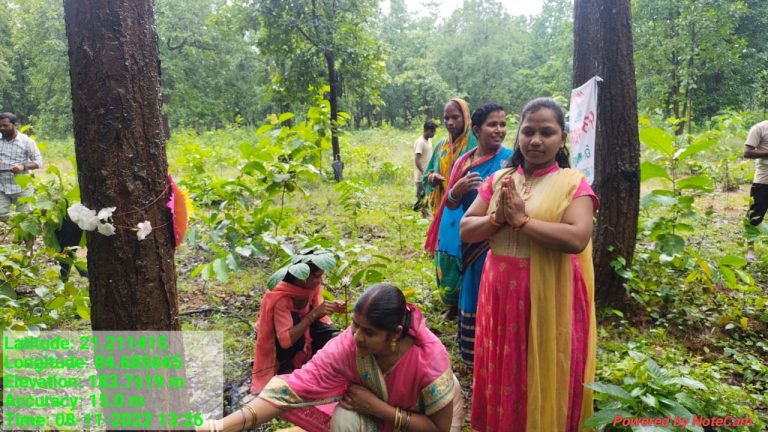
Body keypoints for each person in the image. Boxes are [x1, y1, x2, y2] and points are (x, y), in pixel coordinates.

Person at [460, 98, 598, 431]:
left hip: (549, 296)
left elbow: (577, 237)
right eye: (528, 131)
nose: (536, 140)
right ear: (519, 135)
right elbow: (467, 229)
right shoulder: (500, 179)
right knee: (504, 369)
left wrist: (522, 221)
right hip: (498, 294)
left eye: (547, 132)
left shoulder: (573, 182)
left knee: (544, 367)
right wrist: (498, 218)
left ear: (561, 138)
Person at [207, 283, 464, 432]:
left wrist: (380, 409)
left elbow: (438, 429)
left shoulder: (428, 360)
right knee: (345, 419)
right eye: (355, 325)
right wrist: (219, 427)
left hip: (431, 422)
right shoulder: (348, 346)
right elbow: (290, 389)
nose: (357, 337)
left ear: (395, 333)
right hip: (380, 419)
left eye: (369, 332)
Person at [424, 103, 513, 365]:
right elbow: (450, 204)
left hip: (496, 243)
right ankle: (474, 356)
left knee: (495, 300)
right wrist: (457, 190)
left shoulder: (509, 160)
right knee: (472, 292)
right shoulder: (464, 160)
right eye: (492, 125)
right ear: (477, 129)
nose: (499, 130)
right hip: (469, 241)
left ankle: (496, 355)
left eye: (503, 124)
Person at [250, 262, 345, 393]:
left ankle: (328, 358)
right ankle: (288, 367)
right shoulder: (281, 297)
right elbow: (285, 341)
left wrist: (332, 307)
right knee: (296, 321)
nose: (320, 281)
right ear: (301, 277)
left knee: (329, 334)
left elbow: (316, 312)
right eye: (317, 277)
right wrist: (313, 315)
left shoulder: (310, 289)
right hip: (281, 344)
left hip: (305, 331)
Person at [421, 98, 477, 316]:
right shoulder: (440, 147)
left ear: (466, 117)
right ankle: (450, 302)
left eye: (455, 117)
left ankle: (466, 301)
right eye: (446, 118)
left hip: (467, 210)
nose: (450, 122)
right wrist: (433, 177)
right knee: (445, 254)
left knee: (465, 254)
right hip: (443, 212)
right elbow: (427, 174)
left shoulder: (473, 145)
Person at [0, 112, 42, 219]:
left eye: (5, 125)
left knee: (25, 218)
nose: (2, 128)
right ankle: (14, 227)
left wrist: (23, 166)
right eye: (0, 126)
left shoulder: (27, 142)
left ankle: (22, 232)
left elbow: (38, 162)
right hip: (2, 186)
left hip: (21, 188)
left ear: (15, 125)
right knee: (1, 215)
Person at [743, 119, 768, 262]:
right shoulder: (759, 128)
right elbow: (747, 152)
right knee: (755, 216)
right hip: (764, 179)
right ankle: (750, 250)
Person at [413, 120, 437, 213]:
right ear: (426, 130)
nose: (434, 133)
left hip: (428, 174)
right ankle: (419, 213)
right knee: (421, 196)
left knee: (427, 195)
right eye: (432, 131)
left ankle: (424, 212)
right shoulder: (420, 142)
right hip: (421, 175)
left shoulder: (429, 141)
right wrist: (424, 172)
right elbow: (417, 159)